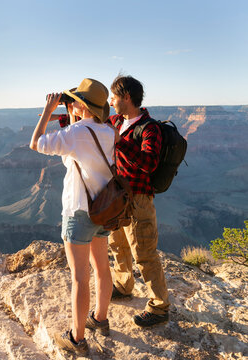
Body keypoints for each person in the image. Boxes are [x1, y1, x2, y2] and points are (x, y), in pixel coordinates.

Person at [29, 78, 114, 356]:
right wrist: (67, 114)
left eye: (74, 100)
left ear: (82, 105)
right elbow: (79, 137)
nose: (70, 103)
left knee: (80, 277)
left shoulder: (77, 132)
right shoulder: (108, 130)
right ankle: (100, 318)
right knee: (102, 268)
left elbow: (36, 143)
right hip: (103, 208)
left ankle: (77, 338)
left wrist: (46, 112)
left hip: (78, 211)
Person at [107, 75, 171, 326]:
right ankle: (124, 285)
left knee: (144, 253)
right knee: (118, 246)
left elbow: (148, 163)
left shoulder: (149, 128)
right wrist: (64, 117)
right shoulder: (115, 121)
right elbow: (92, 123)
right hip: (116, 197)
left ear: (126, 97)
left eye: (114, 97)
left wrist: (119, 140)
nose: (111, 102)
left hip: (139, 200)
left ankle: (159, 307)